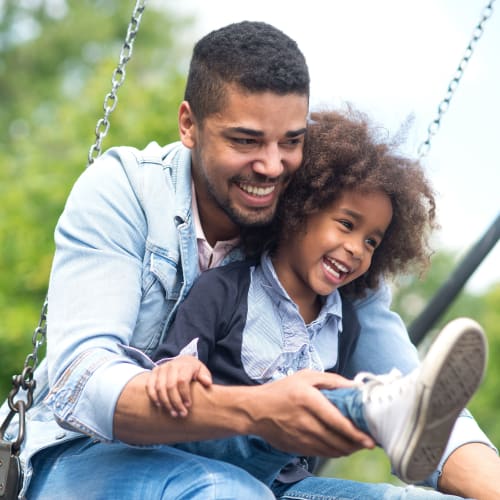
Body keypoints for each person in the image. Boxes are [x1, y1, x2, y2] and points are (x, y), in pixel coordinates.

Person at [0, 20, 498, 500]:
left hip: (264, 477)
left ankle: (364, 410)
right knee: (227, 490)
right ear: (189, 124)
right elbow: (82, 384)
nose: (272, 166)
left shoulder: (314, 228)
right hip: (91, 458)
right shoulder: (127, 189)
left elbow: (429, 411)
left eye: (292, 142)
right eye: (245, 140)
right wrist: (256, 410)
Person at [138, 109, 488, 488]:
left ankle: (389, 412)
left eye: (371, 241)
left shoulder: (344, 325)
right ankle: (382, 408)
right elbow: (173, 368)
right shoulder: (227, 289)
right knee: (284, 409)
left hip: (286, 484)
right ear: (298, 209)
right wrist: (177, 368)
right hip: (209, 458)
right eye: (347, 224)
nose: (357, 248)